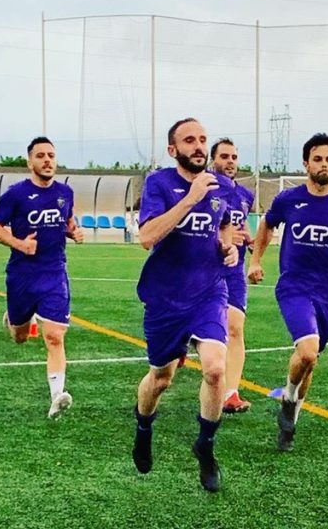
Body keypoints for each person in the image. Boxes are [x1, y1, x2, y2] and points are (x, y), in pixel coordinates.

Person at [247, 133, 328, 452]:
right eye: (317, 159)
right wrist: (256, 260)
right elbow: (266, 225)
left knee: (311, 360)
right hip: (294, 288)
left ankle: (290, 420)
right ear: (306, 164)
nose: (324, 165)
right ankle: (288, 402)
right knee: (306, 350)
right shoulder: (288, 200)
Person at [131, 117, 238, 493]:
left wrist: (227, 248)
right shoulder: (158, 183)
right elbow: (146, 237)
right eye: (189, 140)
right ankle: (143, 427)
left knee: (214, 369)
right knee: (161, 378)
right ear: (173, 149)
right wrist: (190, 199)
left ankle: (205, 446)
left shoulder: (221, 186)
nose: (198, 146)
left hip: (209, 291)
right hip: (165, 296)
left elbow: (223, 225)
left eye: (202, 140)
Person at [0, 137, 83, 418]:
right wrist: (20, 244)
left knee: (54, 336)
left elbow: (67, 221)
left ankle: (57, 396)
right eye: (40, 155)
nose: (47, 160)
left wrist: (73, 232)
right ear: (30, 162)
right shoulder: (16, 194)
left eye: (51, 155)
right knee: (19, 336)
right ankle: (15, 318)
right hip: (21, 275)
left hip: (54, 273)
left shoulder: (66, 192)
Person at [210, 138, 255, 414]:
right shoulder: (203, 190)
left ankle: (230, 393)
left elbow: (244, 229)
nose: (230, 161)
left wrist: (247, 239)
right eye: (224, 156)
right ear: (213, 160)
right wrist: (221, 237)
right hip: (204, 270)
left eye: (234, 157)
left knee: (235, 327)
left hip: (234, 272)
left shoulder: (245, 196)